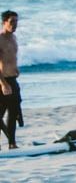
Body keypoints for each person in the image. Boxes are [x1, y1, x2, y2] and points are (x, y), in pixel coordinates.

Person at [0, 11, 20, 149]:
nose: (14, 25)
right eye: (12, 21)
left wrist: (16, 69)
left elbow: (11, 57)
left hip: (12, 79)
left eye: (16, 21)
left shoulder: (14, 38)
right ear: (4, 22)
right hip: (2, 82)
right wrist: (3, 83)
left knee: (14, 112)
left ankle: (12, 144)